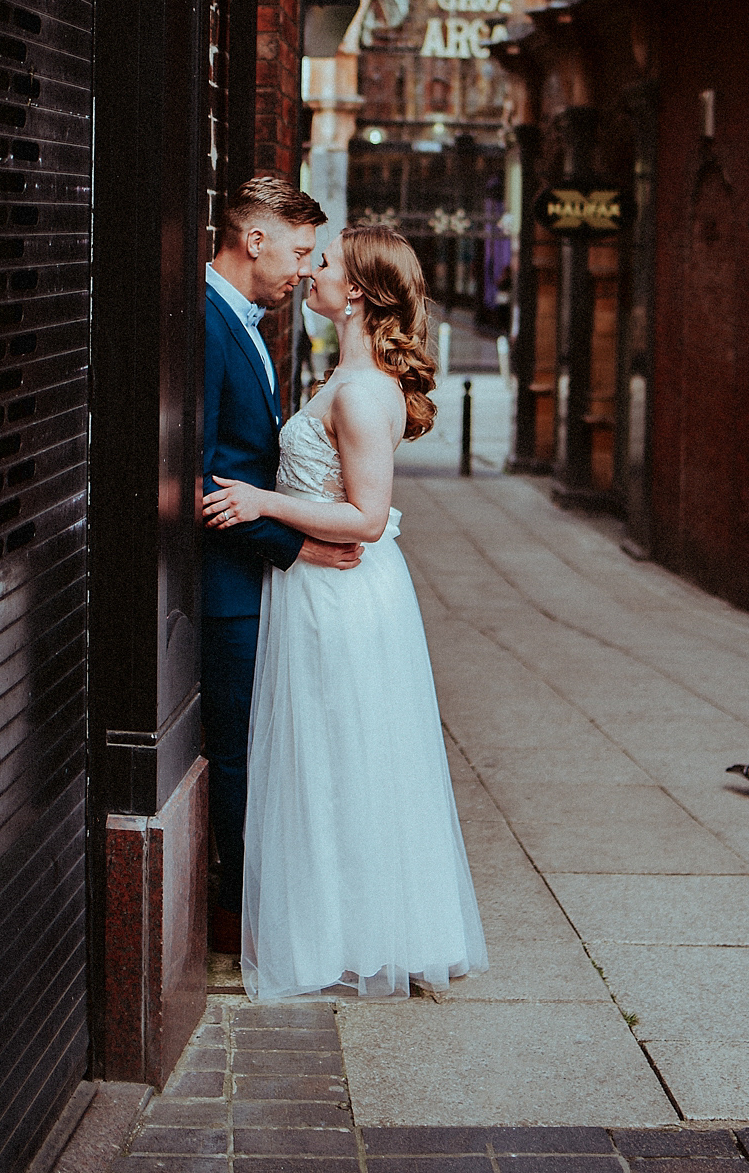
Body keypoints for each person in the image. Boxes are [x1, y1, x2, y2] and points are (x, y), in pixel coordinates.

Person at [203, 224, 488, 1000]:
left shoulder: (362, 392)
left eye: (323, 262)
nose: (313, 271)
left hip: (341, 595)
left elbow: (366, 518)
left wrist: (262, 501)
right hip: (316, 589)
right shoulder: (343, 374)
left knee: (339, 758)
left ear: (356, 291)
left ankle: (355, 937)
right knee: (325, 759)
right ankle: (338, 931)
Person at [203, 176, 364, 955]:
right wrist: (296, 545)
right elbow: (200, 480)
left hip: (251, 579)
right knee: (237, 752)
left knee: (258, 747)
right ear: (253, 239)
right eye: (299, 250)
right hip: (226, 588)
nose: (304, 268)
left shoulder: (247, 323)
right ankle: (238, 917)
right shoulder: (206, 321)